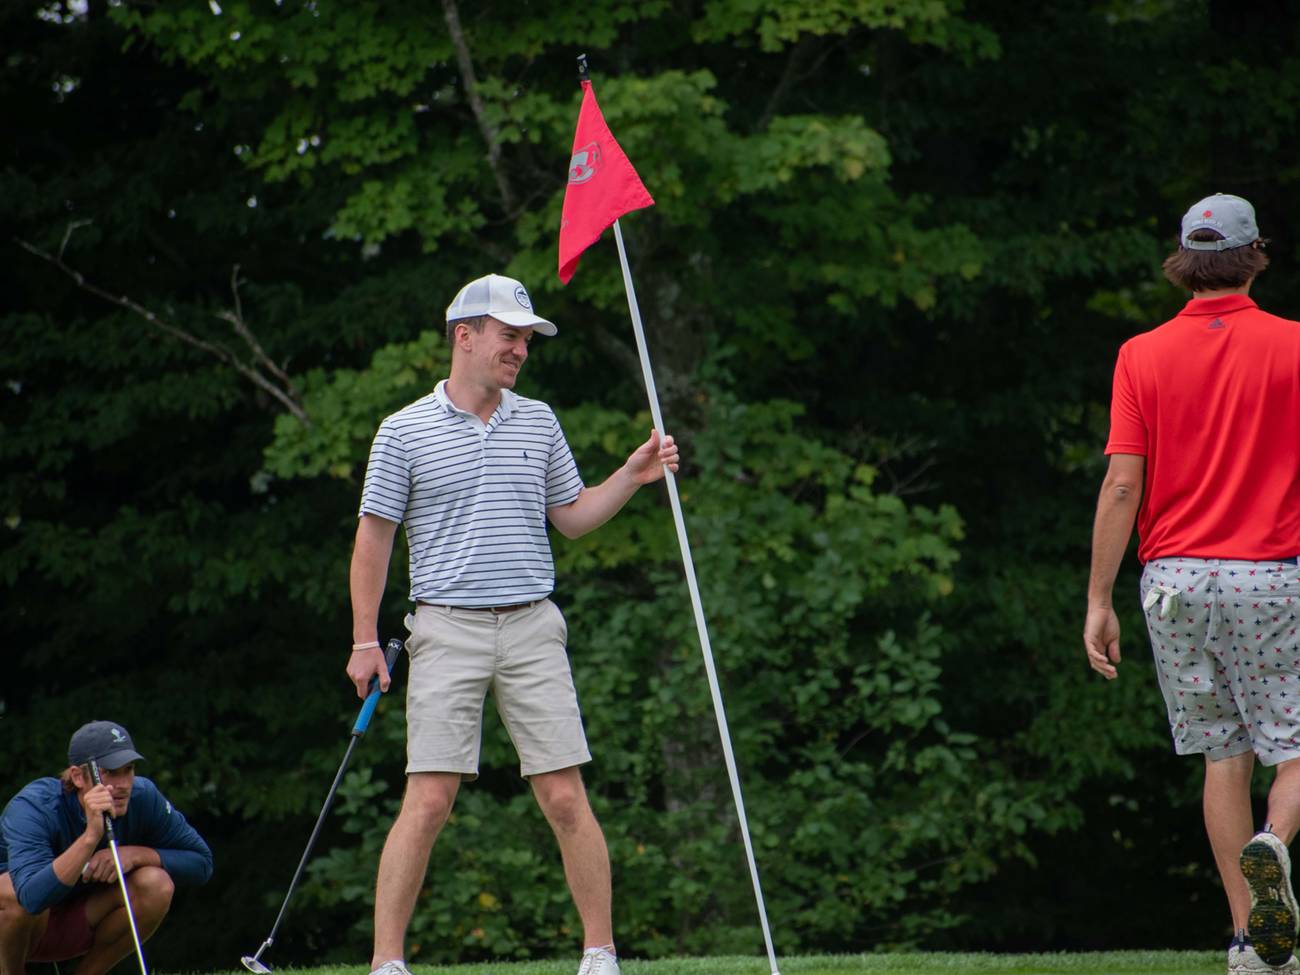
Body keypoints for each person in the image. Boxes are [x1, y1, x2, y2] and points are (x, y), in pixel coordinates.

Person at [346, 273, 679, 975]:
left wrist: (630, 475)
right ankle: (386, 963)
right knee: (429, 798)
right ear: (464, 335)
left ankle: (599, 954)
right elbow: (373, 539)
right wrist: (364, 639)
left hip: (532, 626)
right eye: (509, 335)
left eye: (527, 338)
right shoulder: (403, 431)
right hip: (445, 627)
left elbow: (574, 518)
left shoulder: (539, 420)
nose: (521, 349)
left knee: (564, 793)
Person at [1085, 192, 1300, 975]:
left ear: (1184, 259)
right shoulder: (1294, 346)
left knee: (1222, 754)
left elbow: (1120, 486)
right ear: (1255, 257)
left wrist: (1099, 599)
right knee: (1296, 747)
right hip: (1270, 574)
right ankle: (1271, 845)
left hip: (1172, 581)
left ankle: (1250, 942)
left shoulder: (1140, 354)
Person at [0, 721, 213, 975]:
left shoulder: (143, 797)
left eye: (129, 769)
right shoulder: (34, 807)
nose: (123, 784)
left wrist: (135, 855)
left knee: (155, 883)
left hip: (75, 920)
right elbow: (32, 900)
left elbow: (202, 863)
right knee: (12, 891)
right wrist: (91, 837)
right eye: (110, 773)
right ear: (78, 776)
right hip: (19, 927)